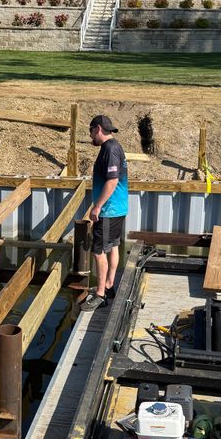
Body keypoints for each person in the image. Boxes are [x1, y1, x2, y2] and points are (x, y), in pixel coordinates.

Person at [81, 114, 128, 311]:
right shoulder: (113, 147)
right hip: (117, 209)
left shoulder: (109, 149)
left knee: (98, 252)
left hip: (109, 210)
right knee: (113, 247)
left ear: (98, 128)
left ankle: (100, 294)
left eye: (91, 131)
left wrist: (97, 206)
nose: (91, 135)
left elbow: (112, 181)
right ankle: (108, 285)